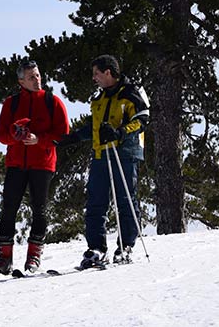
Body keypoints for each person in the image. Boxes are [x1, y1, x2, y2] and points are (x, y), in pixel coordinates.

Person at [57, 54, 150, 269]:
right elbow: (96, 128)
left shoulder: (131, 92)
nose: (94, 78)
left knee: (125, 199)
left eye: (96, 73)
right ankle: (96, 248)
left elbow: (142, 119)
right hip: (101, 154)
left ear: (108, 72)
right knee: (95, 202)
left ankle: (126, 245)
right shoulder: (99, 99)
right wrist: (74, 137)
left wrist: (119, 132)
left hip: (125, 153)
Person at [0, 59, 70, 274]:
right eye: (31, 77)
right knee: (8, 209)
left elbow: (63, 134)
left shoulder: (52, 101)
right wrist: (14, 135)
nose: (37, 80)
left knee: (40, 210)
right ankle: (5, 257)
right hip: (16, 163)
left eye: (37, 75)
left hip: (43, 163)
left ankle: (34, 255)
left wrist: (40, 140)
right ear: (21, 81)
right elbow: (0, 136)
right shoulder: (11, 103)